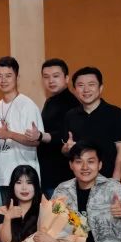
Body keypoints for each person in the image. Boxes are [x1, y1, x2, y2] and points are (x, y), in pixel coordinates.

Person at [61, 67, 121, 181]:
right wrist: (67, 148)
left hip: (107, 181)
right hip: (79, 182)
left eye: (91, 84)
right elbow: (64, 149)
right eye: (81, 85)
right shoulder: (70, 115)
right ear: (75, 90)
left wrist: (115, 182)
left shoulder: (115, 113)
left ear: (101, 88)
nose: (86, 89)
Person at [0, 57, 42, 203]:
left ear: (17, 77)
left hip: (24, 179)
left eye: (8, 76)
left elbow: (35, 141)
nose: (3, 80)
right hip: (3, 178)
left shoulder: (27, 105)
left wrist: (9, 134)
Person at [37, 59, 79, 196]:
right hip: (48, 171)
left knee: (60, 209)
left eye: (56, 76)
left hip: (62, 174)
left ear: (66, 78)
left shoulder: (72, 103)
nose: (51, 81)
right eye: (46, 77)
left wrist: (41, 136)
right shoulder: (50, 101)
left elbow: (65, 135)